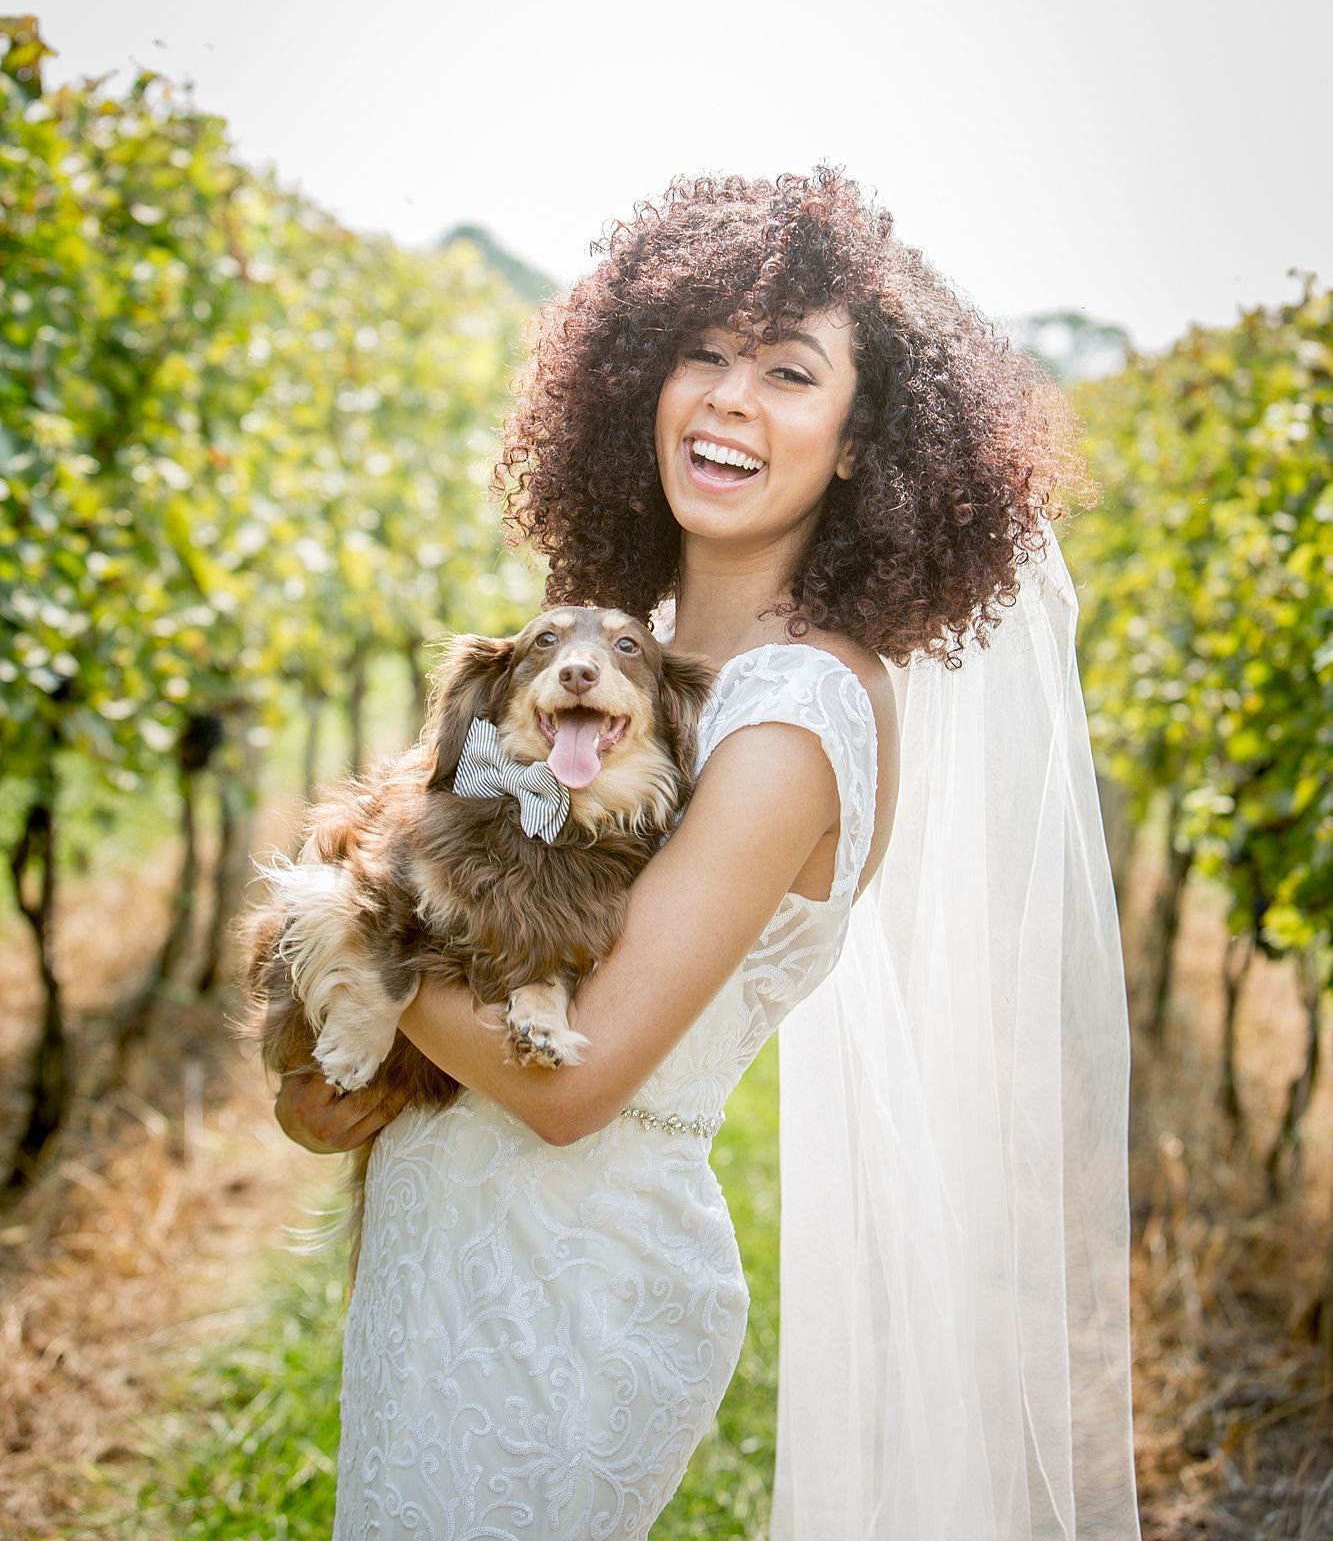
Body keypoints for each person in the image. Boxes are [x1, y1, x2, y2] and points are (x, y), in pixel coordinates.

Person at [276, 167, 1140, 1539]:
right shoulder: (637, 666)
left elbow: (575, 1087)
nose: (731, 399)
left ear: (864, 442)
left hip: (572, 1284)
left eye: (791, 372)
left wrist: (335, 930)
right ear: (641, 381)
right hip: (461, 1251)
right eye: (704, 354)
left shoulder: (792, 710)